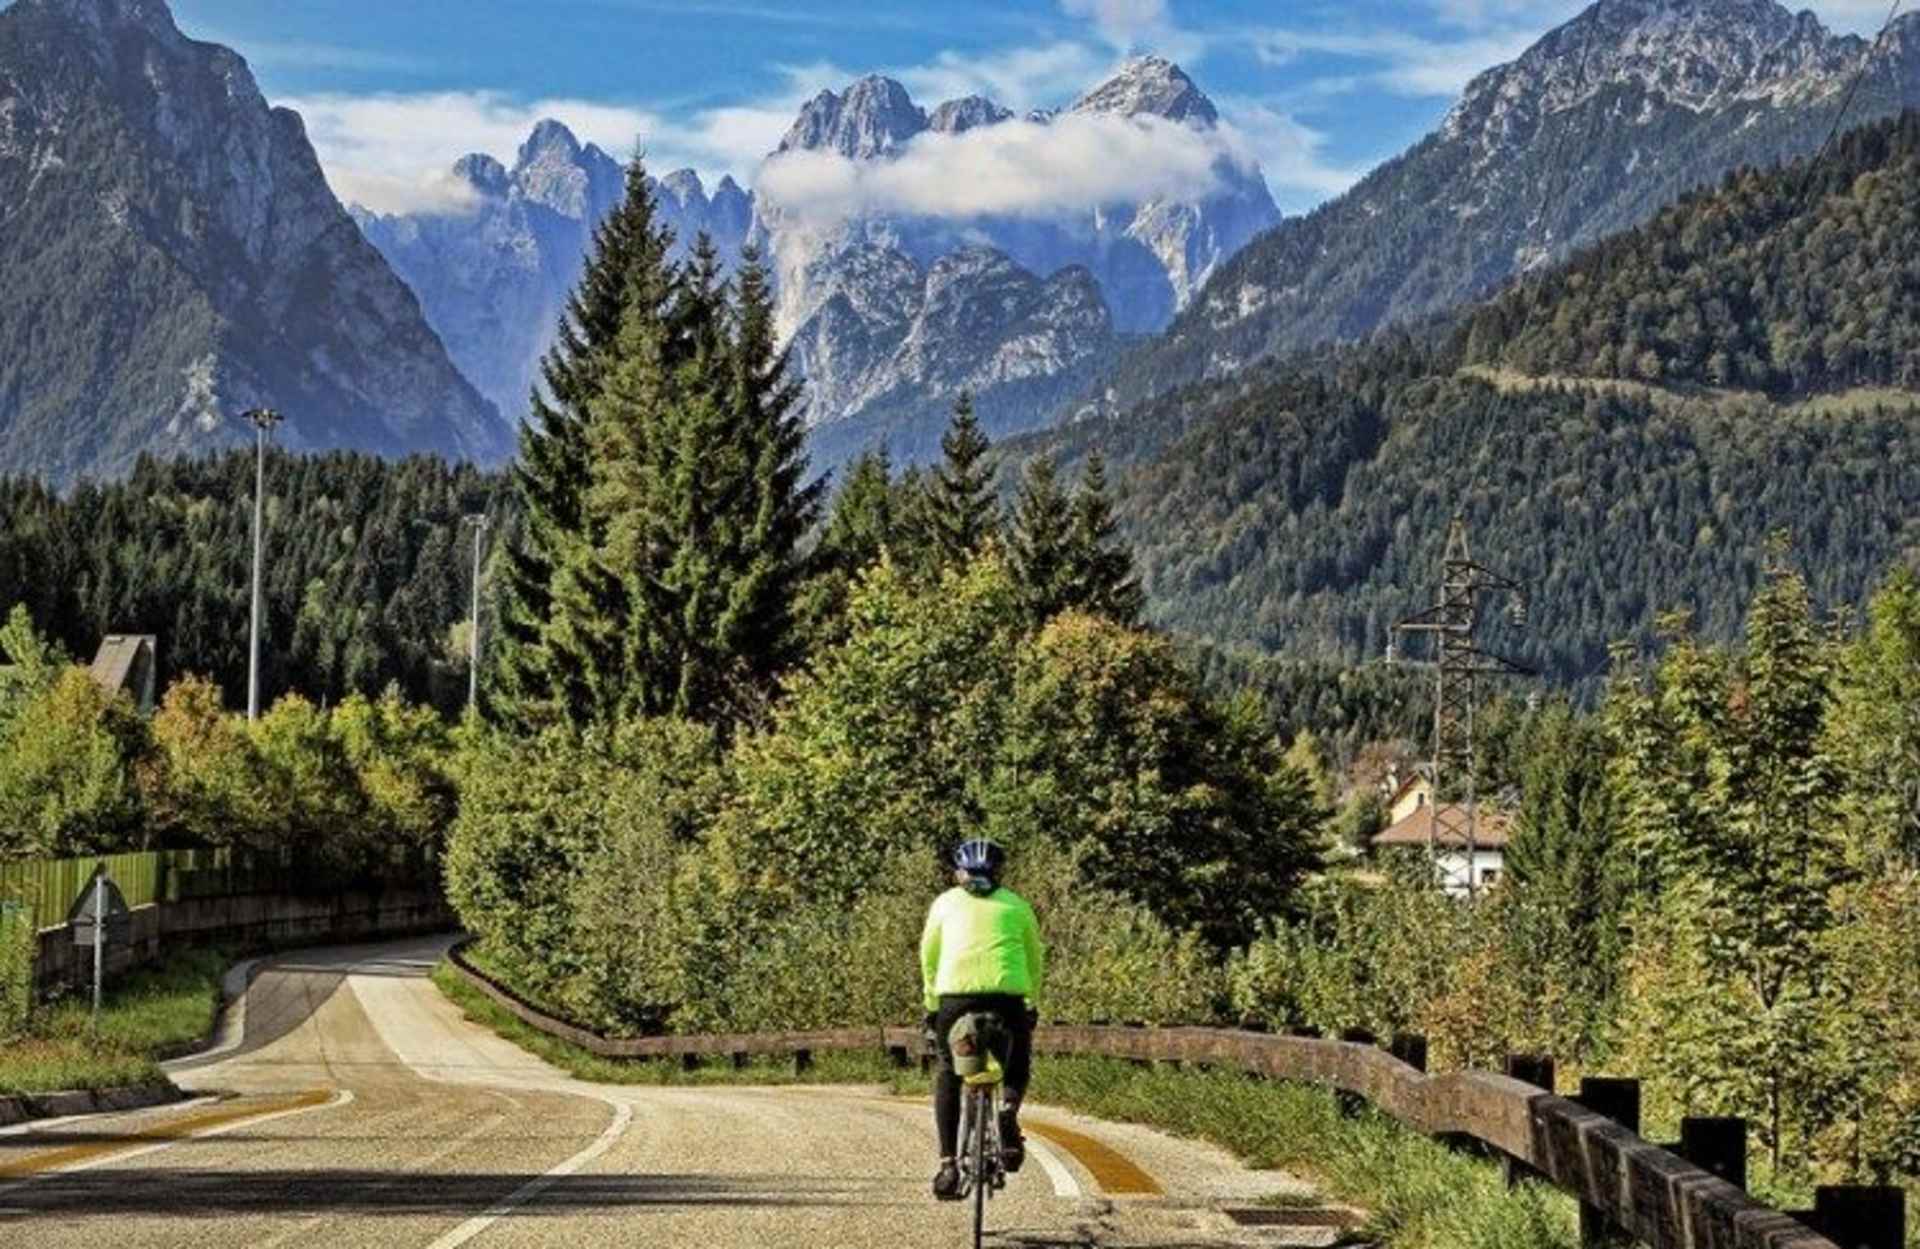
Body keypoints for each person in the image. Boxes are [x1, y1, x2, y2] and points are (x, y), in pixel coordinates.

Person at [919, 837, 1045, 1202]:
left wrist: (931, 1004)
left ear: (959, 873)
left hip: (955, 1000)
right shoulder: (1017, 906)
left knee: (948, 1070)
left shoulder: (944, 904)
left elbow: (928, 956)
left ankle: (947, 1166)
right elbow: (1035, 958)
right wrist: (1031, 1000)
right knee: (1017, 1061)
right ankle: (1007, 1109)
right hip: (1007, 1001)